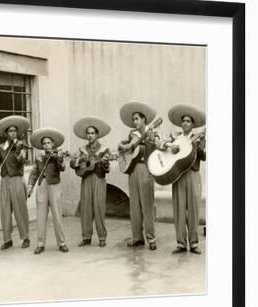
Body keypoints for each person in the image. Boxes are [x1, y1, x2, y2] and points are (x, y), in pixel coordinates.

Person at [162, 104, 206, 255]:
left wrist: (200, 143)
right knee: (179, 209)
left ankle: (194, 243)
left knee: (193, 208)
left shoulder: (198, 138)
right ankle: (180, 243)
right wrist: (170, 145)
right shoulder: (176, 137)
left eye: (188, 121)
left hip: (193, 174)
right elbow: (162, 146)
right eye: (184, 121)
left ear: (193, 124)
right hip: (178, 175)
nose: (185, 123)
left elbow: (204, 157)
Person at [118, 101, 161, 251]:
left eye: (137, 119)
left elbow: (158, 149)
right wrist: (124, 147)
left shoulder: (152, 132)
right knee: (134, 205)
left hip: (145, 168)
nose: (135, 122)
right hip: (132, 170)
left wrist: (151, 139)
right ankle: (137, 237)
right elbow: (123, 149)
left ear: (144, 119)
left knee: (147, 206)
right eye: (133, 119)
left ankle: (151, 238)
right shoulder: (131, 134)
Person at [0, 115, 31, 250]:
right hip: (5, 180)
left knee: (20, 209)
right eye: (10, 131)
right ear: (6, 133)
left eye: (15, 131)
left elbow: (21, 161)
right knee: (5, 210)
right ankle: (7, 239)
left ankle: (25, 237)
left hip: (17, 180)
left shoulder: (21, 145)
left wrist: (18, 150)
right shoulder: (1, 147)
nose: (13, 133)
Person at [70, 117, 112, 248]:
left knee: (99, 208)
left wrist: (105, 162)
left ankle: (102, 237)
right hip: (86, 180)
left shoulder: (104, 149)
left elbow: (107, 168)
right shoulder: (82, 149)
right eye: (88, 133)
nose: (90, 135)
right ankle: (86, 237)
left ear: (97, 134)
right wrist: (79, 161)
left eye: (92, 133)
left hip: (99, 180)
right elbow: (72, 163)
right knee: (86, 208)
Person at [27, 127, 69, 255]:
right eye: (44, 143)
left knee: (57, 215)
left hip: (54, 185)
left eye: (49, 143)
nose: (46, 145)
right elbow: (34, 172)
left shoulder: (57, 155)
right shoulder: (39, 157)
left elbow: (62, 168)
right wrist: (30, 186)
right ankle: (40, 243)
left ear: (53, 144)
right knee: (40, 216)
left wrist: (59, 159)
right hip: (42, 185)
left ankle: (62, 243)